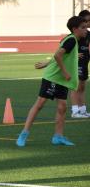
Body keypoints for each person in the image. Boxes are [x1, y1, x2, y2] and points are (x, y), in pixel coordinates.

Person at [16, 16, 87, 147]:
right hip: (54, 77)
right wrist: (65, 72)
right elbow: (57, 55)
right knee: (40, 104)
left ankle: (58, 137)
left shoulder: (74, 40)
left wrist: (47, 63)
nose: (86, 30)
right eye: (83, 27)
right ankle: (23, 134)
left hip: (62, 80)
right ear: (74, 29)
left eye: (86, 27)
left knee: (62, 107)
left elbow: (62, 55)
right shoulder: (71, 40)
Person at [71, 10, 90, 118]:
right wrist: (74, 54)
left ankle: (82, 110)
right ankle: (75, 111)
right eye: (87, 21)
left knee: (82, 86)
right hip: (75, 63)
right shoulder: (74, 35)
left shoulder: (88, 34)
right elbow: (66, 47)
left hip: (84, 62)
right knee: (76, 86)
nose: (88, 23)